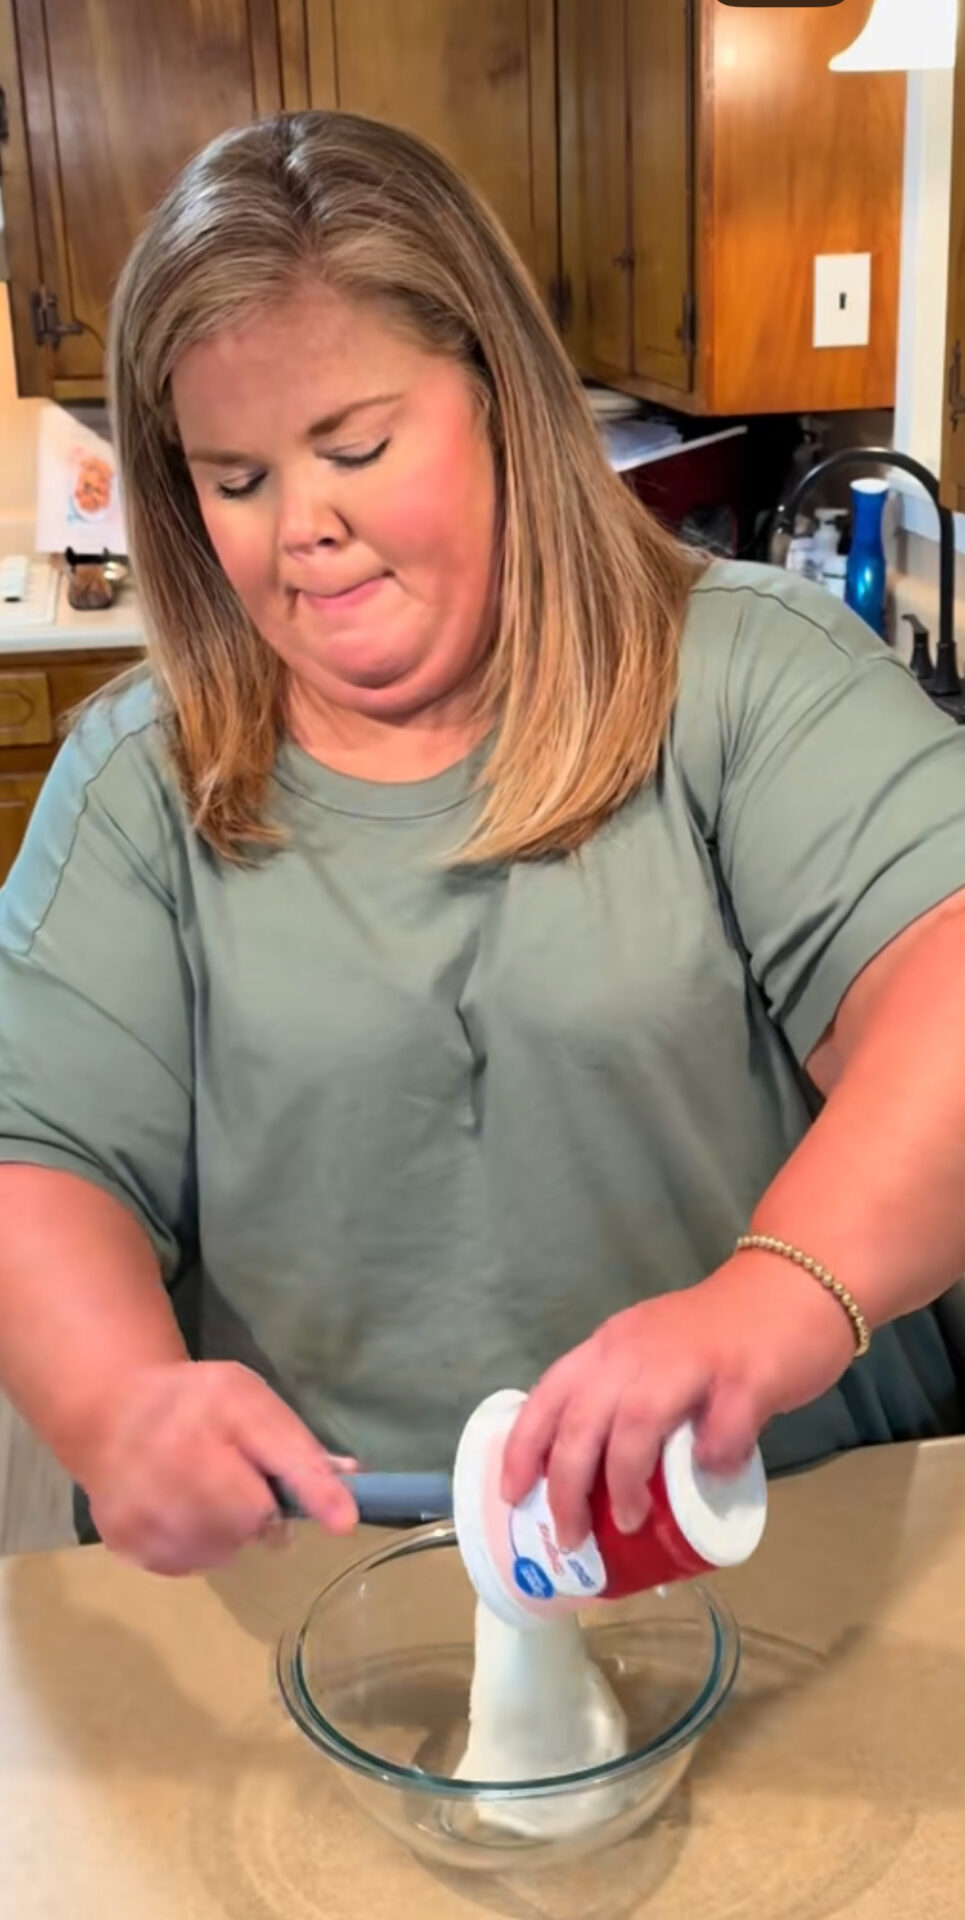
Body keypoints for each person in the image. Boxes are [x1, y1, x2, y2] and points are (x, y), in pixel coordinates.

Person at [2, 111, 965, 1579]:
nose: (299, 530)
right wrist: (118, 1403)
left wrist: (770, 1298)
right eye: (237, 479)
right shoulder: (143, 778)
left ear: (503, 401)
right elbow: (36, 1159)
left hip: (775, 1538)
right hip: (334, 1572)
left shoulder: (746, 674)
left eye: (356, 445)